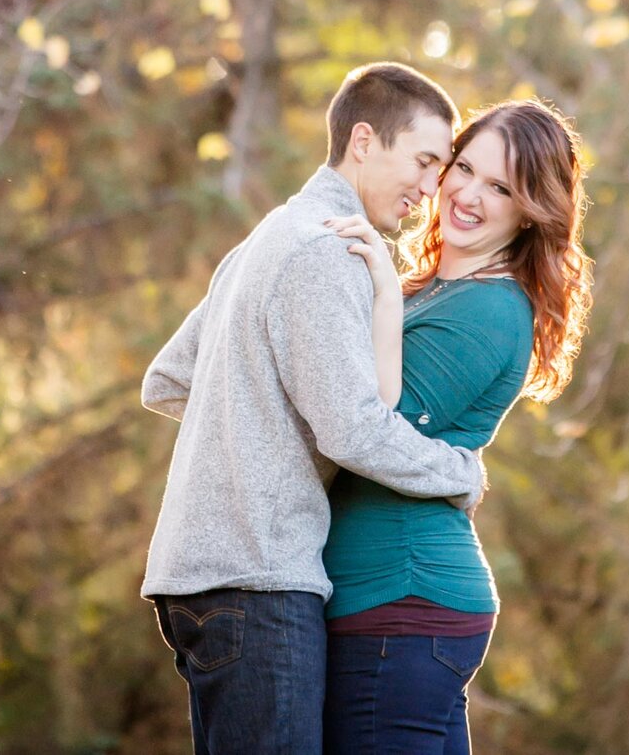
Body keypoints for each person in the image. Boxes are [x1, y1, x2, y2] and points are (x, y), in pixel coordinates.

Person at [139, 62, 490, 755]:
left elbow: (170, 379)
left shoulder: (269, 237)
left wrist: (255, 432)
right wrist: (460, 473)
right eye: (422, 162)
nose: (430, 189)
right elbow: (355, 428)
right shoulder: (328, 251)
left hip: (206, 581)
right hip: (259, 582)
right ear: (363, 141)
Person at [321, 98, 593, 754]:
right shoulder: (438, 287)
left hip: (400, 602)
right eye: (462, 168)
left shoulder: (489, 310)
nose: (469, 194)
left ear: (532, 209)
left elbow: (371, 429)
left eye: (500, 187)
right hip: (402, 608)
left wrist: (385, 291)